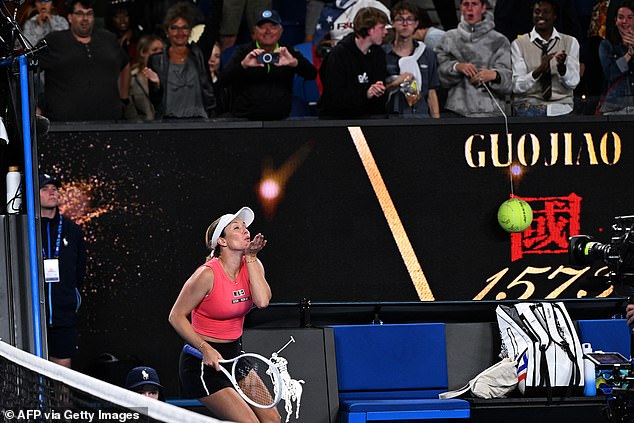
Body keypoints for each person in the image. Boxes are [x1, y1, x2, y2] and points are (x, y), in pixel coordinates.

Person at [168, 206, 278, 422]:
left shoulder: (253, 264)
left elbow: (263, 301)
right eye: (237, 228)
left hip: (235, 357)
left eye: (245, 227)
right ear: (222, 241)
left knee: (272, 419)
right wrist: (205, 348)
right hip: (202, 361)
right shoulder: (206, 275)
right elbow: (175, 316)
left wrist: (253, 257)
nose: (245, 231)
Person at [38, 0, 131, 121]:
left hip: (108, 122)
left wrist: (124, 98)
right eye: (80, 14)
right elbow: (27, 67)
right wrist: (34, 106)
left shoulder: (108, 39)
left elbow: (125, 64)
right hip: (64, 125)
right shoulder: (54, 41)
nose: (85, 18)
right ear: (70, 17)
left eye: (89, 14)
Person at [220, 9, 317, 120]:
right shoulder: (243, 52)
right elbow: (223, 80)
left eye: (273, 27)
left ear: (281, 31)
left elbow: (311, 74)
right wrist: (243, 65)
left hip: (279, 121)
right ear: (254, 31)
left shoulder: (287, 51)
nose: (268, 31)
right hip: (246, 121)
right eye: (262, 27)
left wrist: (294, 63)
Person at [39, 173, 87, 369]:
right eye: (45, 189)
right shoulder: (25, 229)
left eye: (55, 189)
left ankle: (59, 402)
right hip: (33, 314)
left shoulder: (72, 230)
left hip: (62, 316)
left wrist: (69, 299)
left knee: (62, 375)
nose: (52, 193)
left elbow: (79, 273)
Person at [434, 0, 512, 117]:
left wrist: (494, 75)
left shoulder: (500, 40)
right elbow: (438, 76)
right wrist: (456, 67)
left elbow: (509, 80)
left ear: (483, 8)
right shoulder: (448, 39)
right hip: (456, 111)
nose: (470, 8)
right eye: (466, 4)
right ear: (461, 8)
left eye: (474, 4)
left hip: (491, 113)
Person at [146, 1, 216, 119]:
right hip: (168, 123)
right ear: (167, 31)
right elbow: (155, 101)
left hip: (200, 123)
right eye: (174, 28)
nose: (179, 33)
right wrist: (156, 86)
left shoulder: (199, 54)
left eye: (184, 28)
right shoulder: (156, 61)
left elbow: (214, 24)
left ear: (190, 31)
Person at [511, 0, 580, 116]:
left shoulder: (570, 42)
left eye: (546, 12)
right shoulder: (519, 44)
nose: (540, 15)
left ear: (554, 16)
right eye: (537, 12)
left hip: (561, 108)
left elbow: (573, 83)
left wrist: (562, 69)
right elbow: (517, 86)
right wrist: (538, 71)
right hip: (528, 107)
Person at [318, 7, 390, 118]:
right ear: (370, 30)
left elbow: (379, 92)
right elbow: (335, 97)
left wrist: (378, 89)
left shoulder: (378, 54)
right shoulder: (338, 55)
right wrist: (366, 94)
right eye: (382, 27)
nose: (386, 32)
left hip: (369, 119)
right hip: (339, 120)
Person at [384, 1, 440, 118]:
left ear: (416, 24)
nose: (405, 24)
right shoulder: (382, 54)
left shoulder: (427, 53)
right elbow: (376, 92)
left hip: (421, 118)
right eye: (400, 19)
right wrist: (395, 83)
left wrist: (437, 124)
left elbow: (431, 92)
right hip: (392, 120)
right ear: (393, 23)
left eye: (409, 19)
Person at [313, 0, 391, 55]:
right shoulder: (328, 8)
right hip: (337, 55)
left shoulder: (372, 5)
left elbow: (390, 33)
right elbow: (320, 40)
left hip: (366, 53)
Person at [598, 0, 634, 114]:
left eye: (630, 17)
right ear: (615, 21)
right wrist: (629, 55)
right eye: (621, 17)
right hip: (614, 107)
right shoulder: (606, 45)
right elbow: (610, 74)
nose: (625, 21)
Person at [128, 34, 165, 120]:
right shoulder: (132, 78)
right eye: (154, 50)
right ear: (142, 52)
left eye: (162, 50)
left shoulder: (168, 76)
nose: (159, 53)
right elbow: (129, 108)